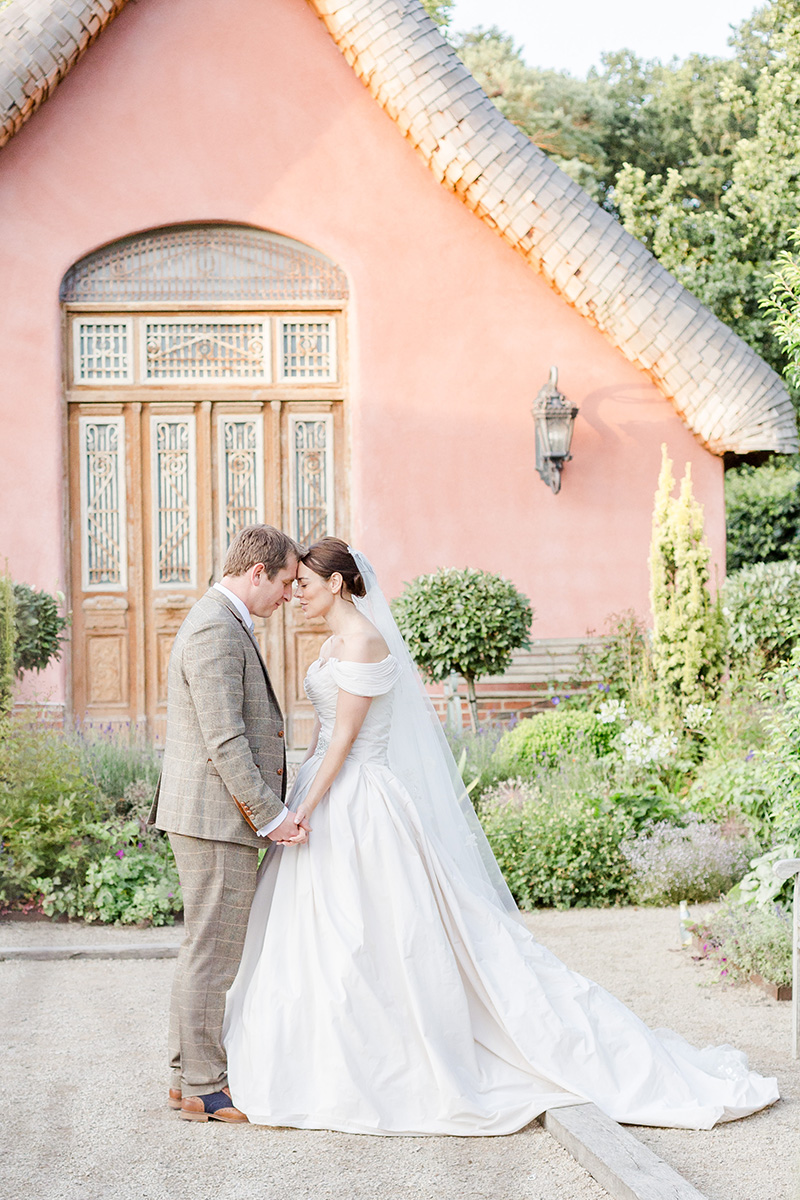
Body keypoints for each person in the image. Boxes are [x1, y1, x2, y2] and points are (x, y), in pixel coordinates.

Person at [222, 538, 779, 1135]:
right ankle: (320, 1052)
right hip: (325, 791)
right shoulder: (333, 644)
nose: (295, 594)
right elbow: (319, 739)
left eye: (304, 583)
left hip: (359, 800)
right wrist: (295, 799)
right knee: (324, 932)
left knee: (382, 929)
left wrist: (300, 810)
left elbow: (344, 744)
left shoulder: (363, 640)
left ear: (336, 584)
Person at [149, 524, 309, 1124]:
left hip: (214, 815)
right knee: (213, 956)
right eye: (288, 582)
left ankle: (181, 1076)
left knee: (204, 949)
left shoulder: (222, 620)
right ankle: (205, 1087)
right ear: (257, 572)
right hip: (217, 819)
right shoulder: (216, 628)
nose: (291, 595)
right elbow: (225, 740)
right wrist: (273, 817)